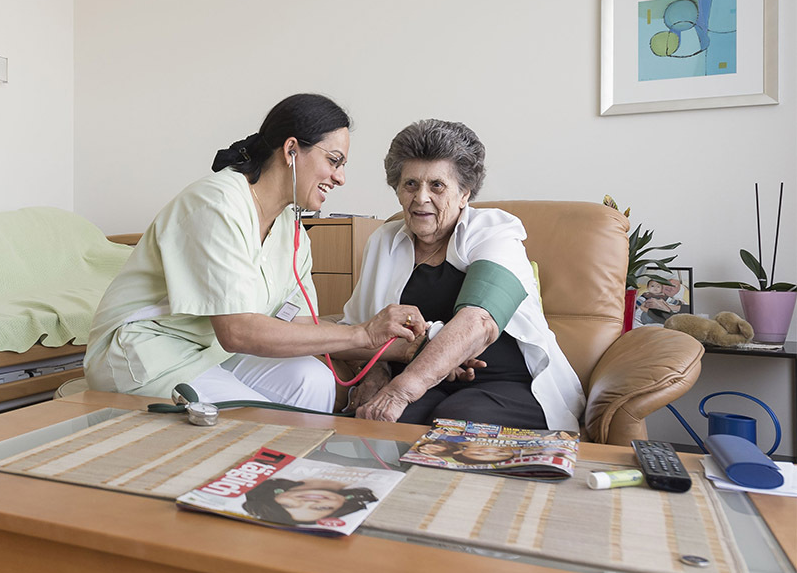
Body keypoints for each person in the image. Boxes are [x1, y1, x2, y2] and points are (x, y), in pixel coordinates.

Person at [84, 94, 423, 411]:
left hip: (209, 351)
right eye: (334, 161)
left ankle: (288, 471)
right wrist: (363, 331)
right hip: (146, 350)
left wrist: (412, 351)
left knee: (314, 381)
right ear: (291, 150)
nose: (340, 178)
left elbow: (305, 330)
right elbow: (238, 331)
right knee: (252, 418)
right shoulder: (216, 205)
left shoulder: (291, 230)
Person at [338, 119, 585, 430]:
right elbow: (357, 331)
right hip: (428, 384)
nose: (421, 198)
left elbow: (479, 322)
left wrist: (401, 390)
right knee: (386, 427)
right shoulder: (383, 241)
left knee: (454, 423)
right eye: (410, 184)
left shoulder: (494, 232)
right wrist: (377, 370)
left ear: (465, 194)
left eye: (437, 185)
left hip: (510, 382)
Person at [242, 478, 380, 525]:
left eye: (287, 505)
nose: (309, 502)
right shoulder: (375, 485)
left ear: (273, 497)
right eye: (321, 509)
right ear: (342, 506)